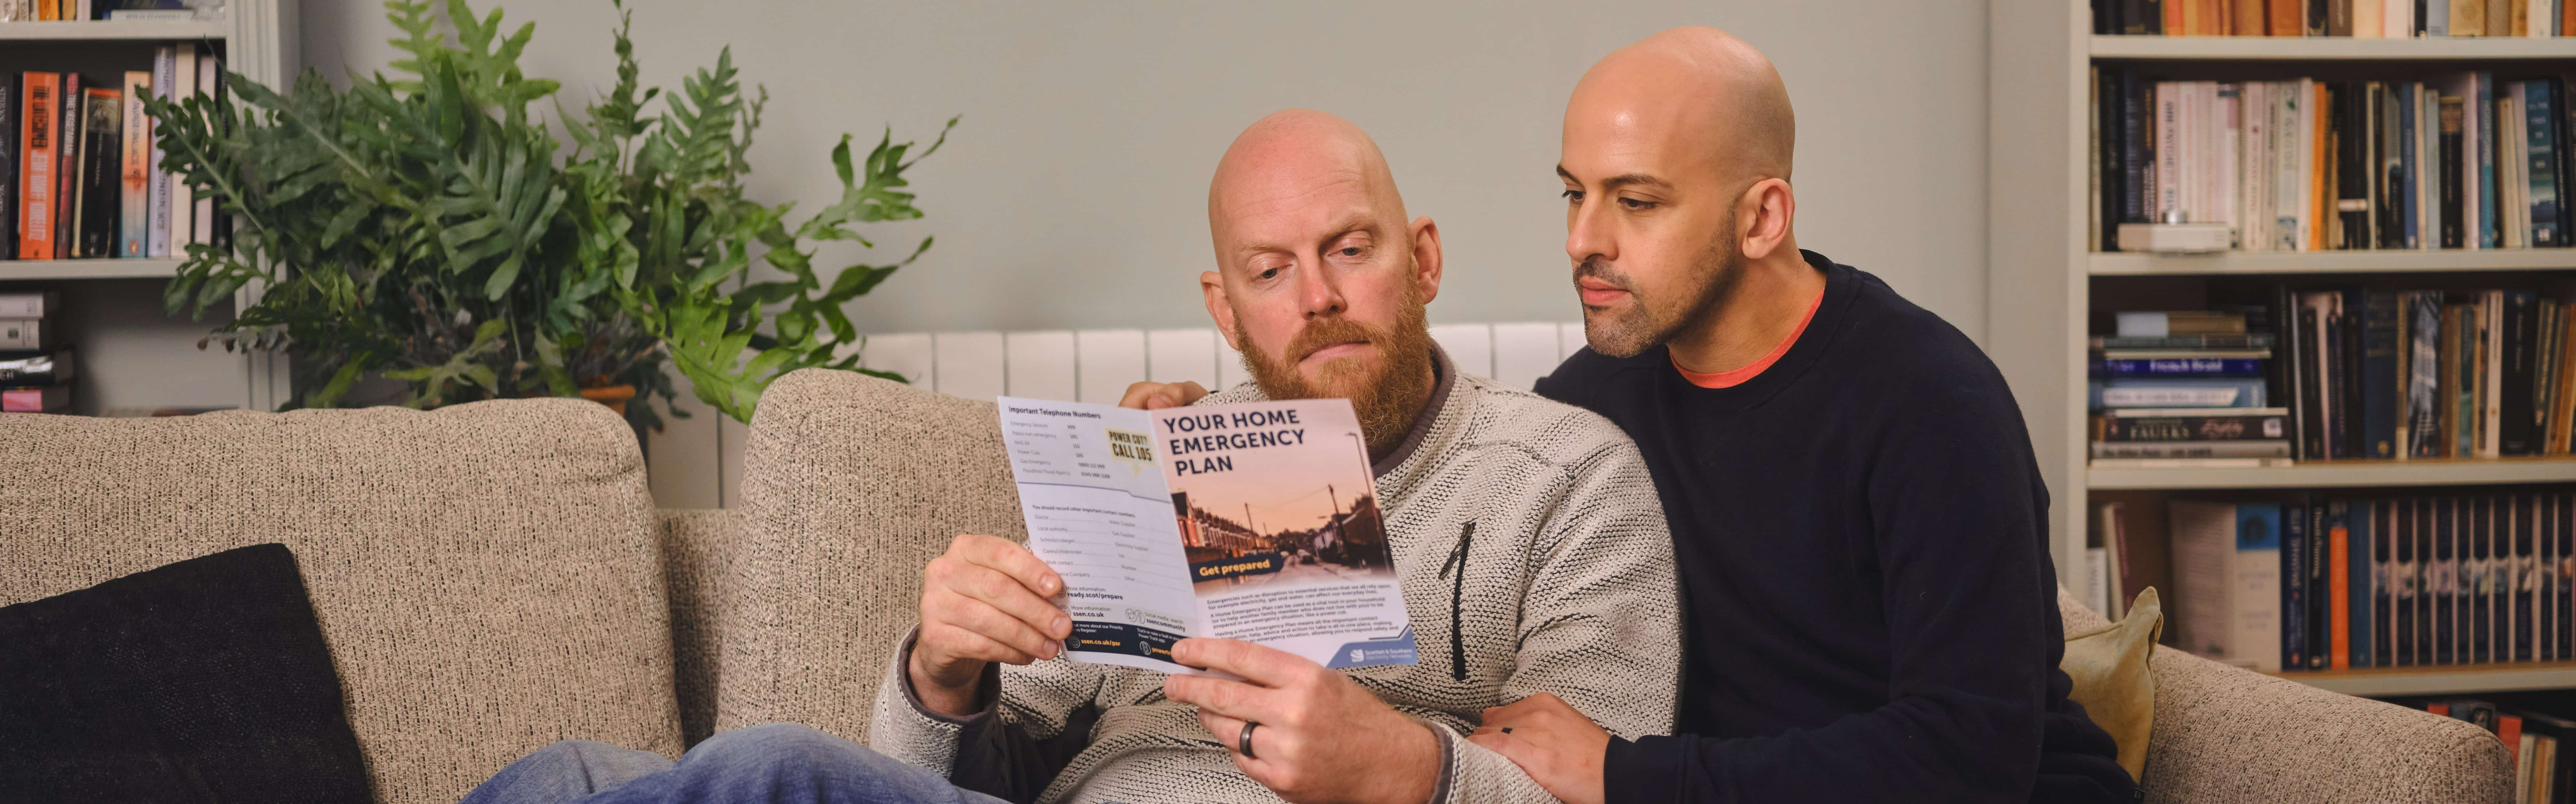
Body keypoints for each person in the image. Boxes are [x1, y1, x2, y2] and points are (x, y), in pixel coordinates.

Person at [454, 109, 1682, 804]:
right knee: (566, 775)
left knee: (766, 770)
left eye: (1347, 249)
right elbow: (967, 767)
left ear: (1420, 258)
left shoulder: (1565, 474)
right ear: (1222, 304)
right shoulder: (1163, 456)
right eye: (1268, 272)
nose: (1312, 297)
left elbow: (1599, 789)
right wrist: (943, 675)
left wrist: (1405, 764)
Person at [1460, 27, 2137, 804]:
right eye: (1574, 193)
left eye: (1636, 202)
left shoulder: (1933, 403)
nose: (1581, 240)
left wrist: (1623, 774)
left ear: (1762, 217)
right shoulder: (1590, 402)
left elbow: (1970, 754)